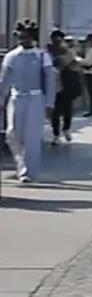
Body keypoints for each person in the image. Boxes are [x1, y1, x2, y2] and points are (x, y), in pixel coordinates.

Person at [2, 20, 56, 184]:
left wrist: (49, 103)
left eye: (27, 37)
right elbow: (4, 80)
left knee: (32, 137)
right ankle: (20, 163)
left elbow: (50, 81)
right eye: (21, 36)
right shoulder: (11, 56)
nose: (24, 40)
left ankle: (28, 171)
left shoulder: (41, 56)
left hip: (35, 98)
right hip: (16, 97)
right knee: (12, 134)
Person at [47, 30, 81, 145]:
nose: (57, 42)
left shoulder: (68, 52)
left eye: (59, 39)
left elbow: (75, 66)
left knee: (67, 110)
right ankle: (56, 134)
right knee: (55, 112)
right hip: (54, 85)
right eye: (55, 39)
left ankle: (66, 128)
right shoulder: (48, 52)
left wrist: (67, 65)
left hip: (66, 85)